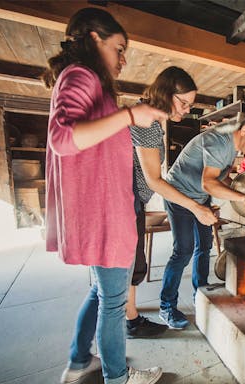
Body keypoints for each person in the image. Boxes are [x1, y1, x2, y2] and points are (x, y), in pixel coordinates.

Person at [43, 8, 167, 384]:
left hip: (105, 211)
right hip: (105, 215)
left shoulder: (89, 83)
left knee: (101, 294)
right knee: (113, 304)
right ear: (94, 39)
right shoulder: (80, 75)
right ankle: (118, 377)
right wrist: (130, 115)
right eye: (119, 48)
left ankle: (80, 361)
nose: (123, 58)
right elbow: (63, 138)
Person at [126, 66, 218, 338]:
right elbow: (154, 179)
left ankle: (130, 318)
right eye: (183, 102)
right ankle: (126, 323)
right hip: (125, 200)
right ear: (166, 93)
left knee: (132, 266)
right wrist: (196, 206)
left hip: (131, 200)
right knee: (125, 269)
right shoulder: (147, 123)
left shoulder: (148, 119)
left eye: (190, 104)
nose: (187, 110)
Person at [159, 115, 245, 329]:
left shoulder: (233, 146)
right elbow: (209, 183)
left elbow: (219, 177)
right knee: (183, 251)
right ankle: (167, 306)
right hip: (179, 194)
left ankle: (200, 294)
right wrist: (243, 198)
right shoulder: (220, 142)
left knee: (204, 246)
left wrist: (240, 189)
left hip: (199, 197)